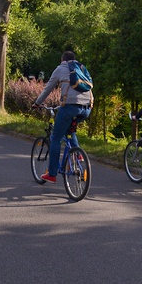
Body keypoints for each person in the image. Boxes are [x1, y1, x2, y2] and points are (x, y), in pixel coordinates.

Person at [31, 50, 93, 184]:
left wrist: (37, 103)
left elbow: (48, 89)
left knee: (56, 139)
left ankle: (52, 174)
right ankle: (77, 156)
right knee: (70, 130)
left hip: (70, 107)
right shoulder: (82, 67)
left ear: (62, 60)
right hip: (87, 109)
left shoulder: (60, 68)